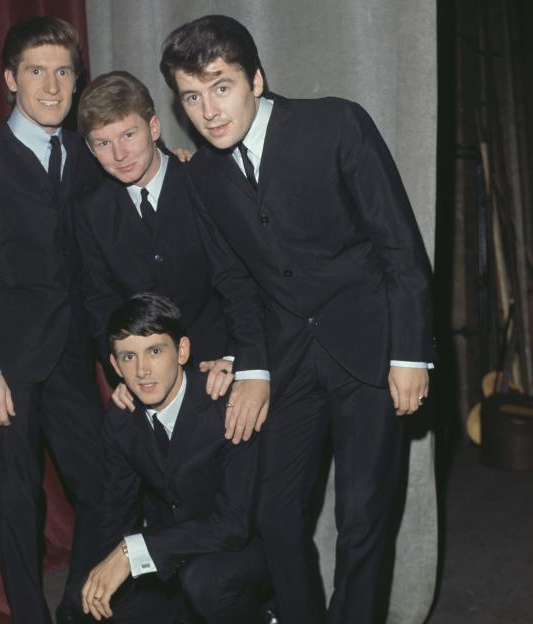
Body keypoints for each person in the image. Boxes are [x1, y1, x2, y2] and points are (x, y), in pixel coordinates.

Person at [160, 15, 434, 624]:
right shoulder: (201, 175)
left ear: (255, 79)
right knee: (275, 516)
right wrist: (254, 364)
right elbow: (234, 282)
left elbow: (399, 246)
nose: (208, 110)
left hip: (370, 348)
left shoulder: (335, 123)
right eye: (191, 96)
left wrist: (409, 354)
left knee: (363, 518)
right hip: (286, 360)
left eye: (221, 86)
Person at [0, 17, 105, 624]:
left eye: (64, 71)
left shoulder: (89, 155)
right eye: (37, 71)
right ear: (11, 79)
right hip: (4, 365)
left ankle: (77, 606)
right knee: (17, 503)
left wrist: (180, 162)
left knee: (104, 486)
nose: (53, 86)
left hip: (72, 359)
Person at [75, 70, 268, 434]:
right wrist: (122, 372)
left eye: (128, 135)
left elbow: (239, 281)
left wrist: (237, 358)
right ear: (89, 148)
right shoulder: (91, 211)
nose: (119, 154)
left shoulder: (204, 180)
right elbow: (99, 301)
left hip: (221, 373)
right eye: (103, 143)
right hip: (147, 388)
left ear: (154, 127)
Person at [81, 292, 269, 623]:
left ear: (182, 351)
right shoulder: (122, 416)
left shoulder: (225, 404)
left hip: (242, 550)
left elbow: (234, 526)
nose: (142, 371)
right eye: (128, 357)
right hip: (173, 552)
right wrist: (104, 571)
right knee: (87, 601)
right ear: (114, 366)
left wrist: (132, 552)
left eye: (154, 351)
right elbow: (114, 509)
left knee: (204, 581)